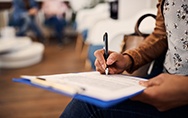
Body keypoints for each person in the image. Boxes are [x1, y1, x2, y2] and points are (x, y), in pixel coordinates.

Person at [60, 0, 188, 117]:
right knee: (89, 98)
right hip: (162, 78)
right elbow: (161, 34)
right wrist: (128, 59)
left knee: (88, 107)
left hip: (178, 93)